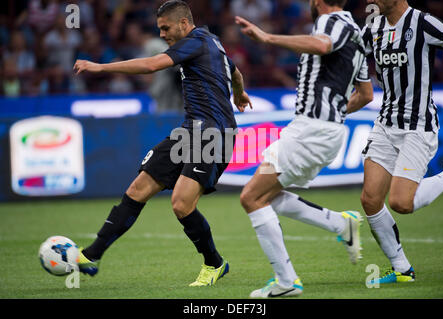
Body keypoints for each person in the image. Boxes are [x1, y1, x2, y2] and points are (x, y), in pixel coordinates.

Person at [73, 0, 252, 287]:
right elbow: (236, 73)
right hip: (190, 130)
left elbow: (152, 65)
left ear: (184, 23)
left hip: (213, 133)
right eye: (159, 29)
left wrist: (101, 67)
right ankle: (91, 255)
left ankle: (214, 264)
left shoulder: (195, 41)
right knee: (137, 188)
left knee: (181, 204)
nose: (161, 34)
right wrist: (240, 94)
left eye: (165, 28)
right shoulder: (212, 41)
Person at [236, 0, 374, 298]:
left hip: (312, 128)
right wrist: (334, 116)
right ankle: (340, 223)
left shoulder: (330, 22)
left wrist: (267, 37)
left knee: (251, 197)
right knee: (267, 196)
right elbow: (365, 94)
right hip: (324, 130)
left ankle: (286, 281)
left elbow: (322, 46)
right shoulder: (358, 35)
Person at [360, 0, 443, 284]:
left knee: (400, 202)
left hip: (417, 126)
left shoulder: (423, 23)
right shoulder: (373, 26)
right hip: (385, 123)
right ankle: (401, 269)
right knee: (370, 199)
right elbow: (351, 53)